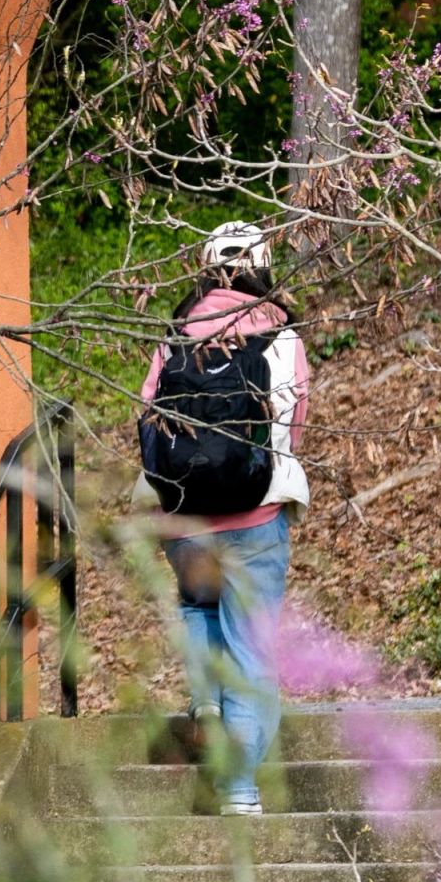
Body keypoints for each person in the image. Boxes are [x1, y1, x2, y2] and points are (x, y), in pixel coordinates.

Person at [135, 222, 310, 815]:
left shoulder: (176, 334)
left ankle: (205, 702)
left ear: (206, 269)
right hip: (254, 517)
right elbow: (293, 420)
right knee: (253, 655)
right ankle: (237, 788)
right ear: (263, 266)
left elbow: (147, 416)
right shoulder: (282, 336)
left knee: (196, 607)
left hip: (185, 518)